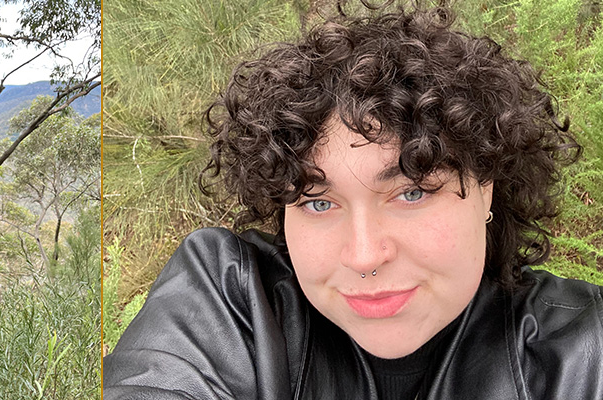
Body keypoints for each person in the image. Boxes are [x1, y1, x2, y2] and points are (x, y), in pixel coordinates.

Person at [102, 6, 603, 399]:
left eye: (411, 191)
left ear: (487, 184)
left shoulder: (582, 349)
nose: (364, 256)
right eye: (318, 202)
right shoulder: (231, 298)